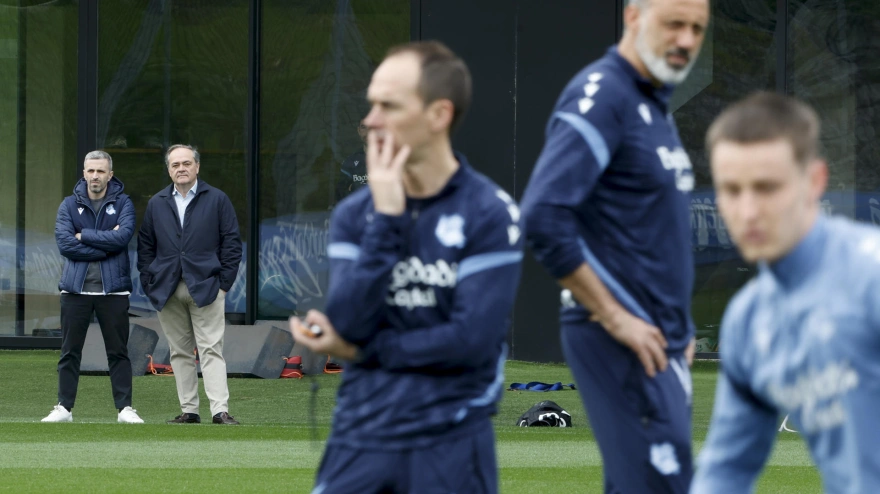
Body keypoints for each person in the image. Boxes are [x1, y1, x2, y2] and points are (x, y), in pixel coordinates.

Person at [289, 40, 524, 494]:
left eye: (389, 106)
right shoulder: (357, 214)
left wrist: (362, 351)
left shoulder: (490, 213)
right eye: (371, 104)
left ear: (439, 115)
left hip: (451, 443)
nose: (372, 120)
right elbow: (348, 322)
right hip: (360, 438)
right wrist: (388, 218)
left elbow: (469, 343)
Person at [519, 0, 709, 491]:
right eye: (674, 23)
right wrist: (615, 316)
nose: (687, 40)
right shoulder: (604, 95)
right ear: (633, 17)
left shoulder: (651, 105)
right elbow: (543, 215)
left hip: (660, 339)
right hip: (621, 339)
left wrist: (680, 325)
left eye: (697, 28)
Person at [691, 92, 880, 492]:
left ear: (814, 181)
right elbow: (725, 471)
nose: (747, 211)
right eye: (731, 190)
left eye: (766, 188)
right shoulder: (748, 321)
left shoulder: (870, 274)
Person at [137, 144, 243, 425]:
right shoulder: (157, 202)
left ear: (197, 166)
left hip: (207, 287)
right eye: (175, 165)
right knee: (179, 352)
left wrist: (223, 285)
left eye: (186, 163)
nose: (181, 169)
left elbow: (232, 244)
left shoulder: (217, 199)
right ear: (168, 170)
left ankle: (219, 411)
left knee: (211, 349)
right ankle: (190, 411)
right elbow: (145, 246)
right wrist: (150, 282)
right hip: (168, 288)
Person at [43, 150, 143, 424]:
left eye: (100, 171)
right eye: (91, 171)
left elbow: (122, 238)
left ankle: (125, 409)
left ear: (110, 175)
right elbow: (66, 245)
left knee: (118, 352)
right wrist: (106, 246)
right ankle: (64, 408)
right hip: (75, 290)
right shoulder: (68, 205)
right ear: (84, 173)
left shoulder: (123, 203)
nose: (95, 176)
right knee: (69, 352)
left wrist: (84, 235)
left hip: (114, 291)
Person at [335, 121, 370, 202]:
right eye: (363, 127)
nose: (368, 132)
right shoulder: (350, 162)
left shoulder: (393, 159)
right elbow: (340, 194)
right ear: (359, 130)